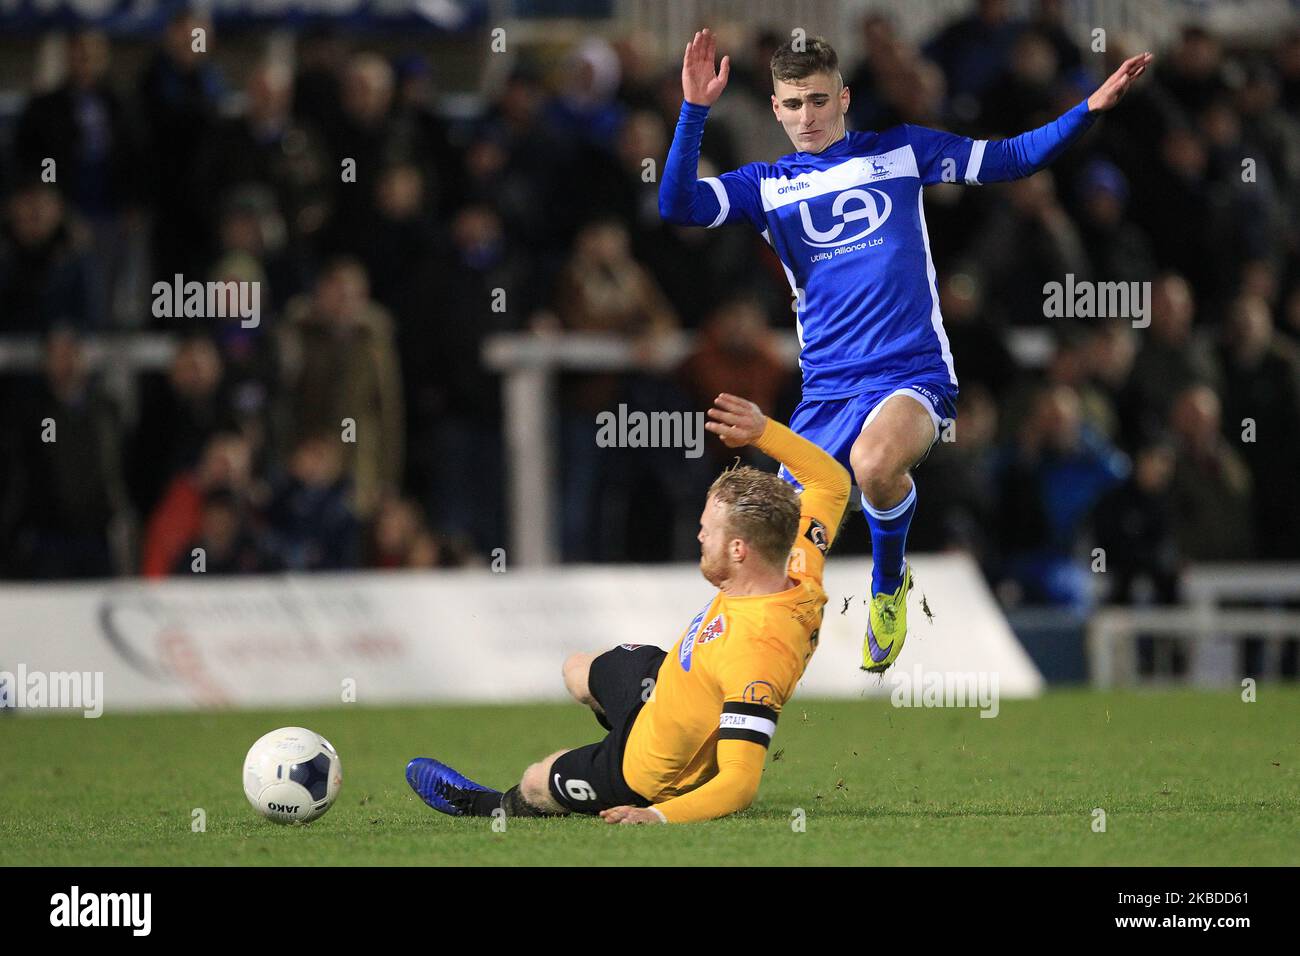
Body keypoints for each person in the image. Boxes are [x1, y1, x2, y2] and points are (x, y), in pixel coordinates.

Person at [657, 28, 1151, 671]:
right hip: (827, 392)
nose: (806, 117)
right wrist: (694, 109)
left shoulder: (902, 152)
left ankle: (887, 587)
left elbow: (1009, 158)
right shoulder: (767, 184)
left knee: (874, 464)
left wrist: (1087, 109)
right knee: (758, 547)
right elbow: (678, 204)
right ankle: (703, 671)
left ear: (844, 98)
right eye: (792, 105)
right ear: (775, 110)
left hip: (910, 374)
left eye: (817, 100)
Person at [406, 392, 850, 823]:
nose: (698, 536)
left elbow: (739, 782)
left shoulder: (757, 653)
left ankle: (486, 807)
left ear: (738, 550)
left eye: (706, 530)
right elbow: (832, 482)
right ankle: (616, 717)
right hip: (665, 685)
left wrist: (657, 814)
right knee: (577, 669)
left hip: (648, 770)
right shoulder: (795, 555)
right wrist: (763, 431)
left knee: (538, 779)